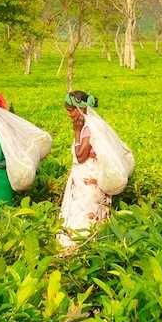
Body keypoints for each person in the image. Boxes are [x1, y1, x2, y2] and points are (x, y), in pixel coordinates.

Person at [59, 90, 112, 248]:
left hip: (88, 183)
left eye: (70, 110)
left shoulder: (88, 128)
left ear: (79, 109)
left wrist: (76, 131)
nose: (69, 115)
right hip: (86, 181)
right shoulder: (89, 126)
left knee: (84, 217)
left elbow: (81, 156)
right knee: (87, 217)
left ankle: (78, 249)